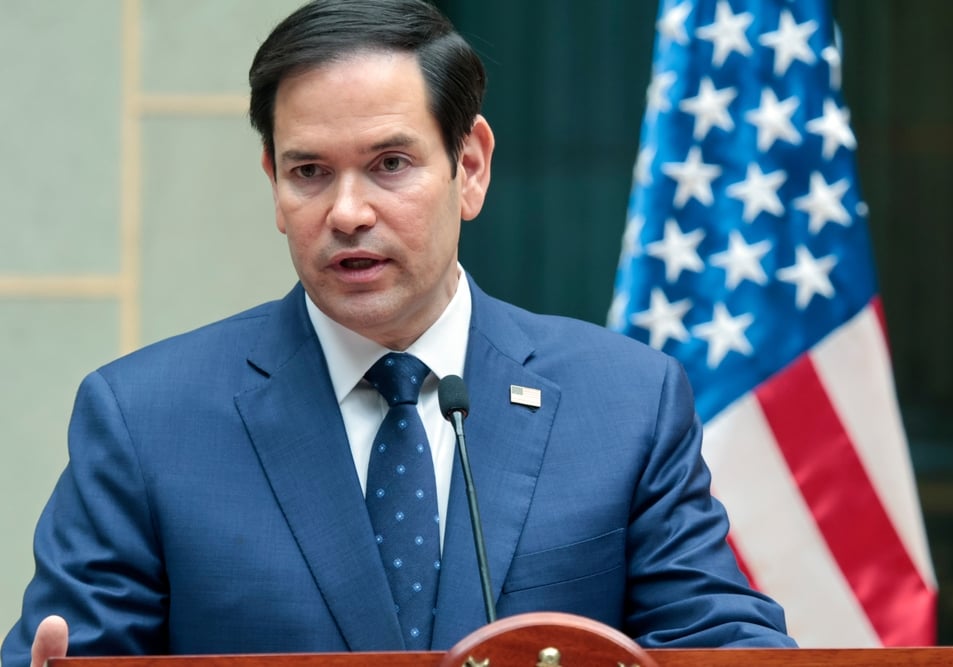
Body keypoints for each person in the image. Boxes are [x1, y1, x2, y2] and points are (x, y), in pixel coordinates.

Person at [2, 0, 796, 664]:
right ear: (275, 186)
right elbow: (70, 647)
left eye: (389, 163)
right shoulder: (146, 420)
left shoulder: (624, 402)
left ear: (471, 165)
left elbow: (719, 640)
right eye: (310, 171)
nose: (347, 212)